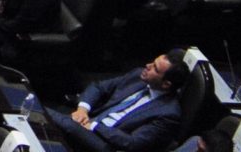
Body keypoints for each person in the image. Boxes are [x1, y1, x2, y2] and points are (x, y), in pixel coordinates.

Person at [31, 51, 185, 152]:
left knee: (58, 121)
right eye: (152, 62)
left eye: (155, 68)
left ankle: (27, 111)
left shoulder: (168, 113)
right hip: (89, 122)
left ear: (166, 84)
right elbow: (99, 87)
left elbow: (133, 143)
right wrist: (82, 109)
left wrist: (95, 126)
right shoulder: (138, 76)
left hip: (107, 145)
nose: (147, 66)